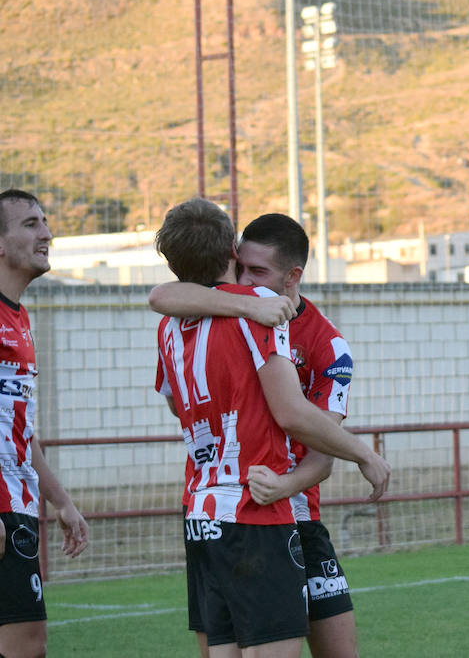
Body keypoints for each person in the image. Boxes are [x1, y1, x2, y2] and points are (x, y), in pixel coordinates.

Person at [152, 198, 389, 658]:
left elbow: (319, 454)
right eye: (241, 266)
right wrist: (366, 454)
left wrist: (285, 484)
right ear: (229, 255)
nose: (245, 280)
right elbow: (292, 413)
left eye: (257, 272)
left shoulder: (326, 345)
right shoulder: (252, 307)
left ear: (292, 276)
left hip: (270, 508)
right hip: (254, 514)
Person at [0, 189, 89, 658]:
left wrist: (61, 500)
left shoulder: (20, 317)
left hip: (19, 502)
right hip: (1, 506)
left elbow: (19, 428)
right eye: (31, 224)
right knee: (27, 642)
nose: (46, 233)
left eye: (45, 222)